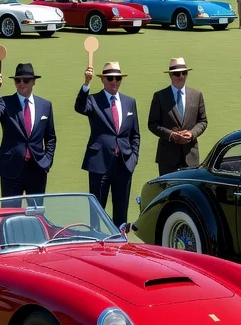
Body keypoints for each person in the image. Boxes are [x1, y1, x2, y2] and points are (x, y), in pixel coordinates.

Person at [75, 61, 140, 225]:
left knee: (121, 211)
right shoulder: (93, 100)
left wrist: (133, 159)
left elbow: (135, 134)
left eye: (118, 78)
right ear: (103, 80)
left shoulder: (129, 102)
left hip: (124, 164)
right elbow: (80, 107)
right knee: (97, 210)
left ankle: (120, 245)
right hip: (99, 163)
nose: (114, 82)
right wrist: (86, 83)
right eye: (110, 78)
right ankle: (97, 243)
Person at [0, 63, 56, 196]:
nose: (21, 83)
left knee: (36, 212)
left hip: (37, 169)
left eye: (26, 80)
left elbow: (50, 138)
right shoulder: (5, 102)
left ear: (34, 81)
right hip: (11, 168)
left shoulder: (45, 105)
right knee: (10, 213)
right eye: (18, 80)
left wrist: (47, 161)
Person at [149, 58, 207, 175]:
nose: (181, 76)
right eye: (177, 73)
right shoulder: (160, 96)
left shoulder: (197, 95)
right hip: (167, 158)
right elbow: (153, 124)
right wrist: (171, 135)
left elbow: (203, 121)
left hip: (190, 157)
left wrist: (192, 133)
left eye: (184, 73)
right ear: (170, 75)